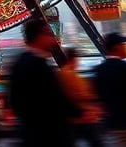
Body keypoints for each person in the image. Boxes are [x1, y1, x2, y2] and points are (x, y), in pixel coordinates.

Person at [8, 17, 80, 147]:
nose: (53, 40)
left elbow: (13, 100)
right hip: (49, 133)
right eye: (49, 34)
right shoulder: (38, 64)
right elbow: (54, 97)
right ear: (39, 36)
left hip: (32, 132)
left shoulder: (20, 62)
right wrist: (77, 112)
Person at [58, 47, 104, 147]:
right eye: (78, 58)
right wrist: (94, 98)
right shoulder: (69, 74)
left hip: (77, 117)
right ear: (74, 59)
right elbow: (79, 94)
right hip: (83, 116)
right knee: (97, 142)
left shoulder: (66, 73)